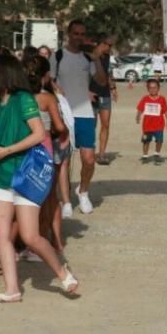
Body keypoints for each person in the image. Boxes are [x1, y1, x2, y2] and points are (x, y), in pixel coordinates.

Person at [0, 53, 79, 303]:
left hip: (25, 173)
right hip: (0, 173)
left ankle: (62, 271)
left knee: (30, 236)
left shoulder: (23, 99)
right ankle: (12, 289)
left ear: (2, 73)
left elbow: (38, 134)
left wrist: (7, 152)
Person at [51, 19, 108, 215]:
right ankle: (66, 201)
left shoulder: (87, 58)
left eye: (82, 34)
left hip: (85, 114)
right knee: (64, 161)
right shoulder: (57, 56)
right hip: (64, 114)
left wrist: (96, 59)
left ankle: (83, 191)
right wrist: (56, 90)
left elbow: (101, 80)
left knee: (89, 159)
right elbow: (48, 79)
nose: (79, 37)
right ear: (69, 34)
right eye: (76, 33)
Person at [24, 54, 70, 255]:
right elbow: (60, 126)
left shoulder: (20, 98)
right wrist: (63, 134)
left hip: (25, 150)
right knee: (50, 198)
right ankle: (55, 242)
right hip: (45, 150)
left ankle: (33, 242)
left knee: (29, 199)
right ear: (45, 75)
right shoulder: (47, 98)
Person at [89, 35, 117, 165]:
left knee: (105, 124)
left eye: (111, 46)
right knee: (92, 126)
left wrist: (113, 87)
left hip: (105, 95)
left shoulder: (107, 57)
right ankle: (90, 152)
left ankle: (101, 154)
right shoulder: (89, 56)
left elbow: (107, 74)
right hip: (92, 96)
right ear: (101, 43)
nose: (110, 48)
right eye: (108, 45)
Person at [136, 78, 167, 163]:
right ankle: (145, 156)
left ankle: (157, 153)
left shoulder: (162, 99)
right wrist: (138, 116)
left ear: (158, 88)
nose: (153, 89)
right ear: (148, 89)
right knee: (146, 141)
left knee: (159, 140)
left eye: (155, 87)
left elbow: (166, 111)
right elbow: (140, 109)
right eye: (150, 88)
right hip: (147, 126)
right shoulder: (145, 98)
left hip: (159, 125)